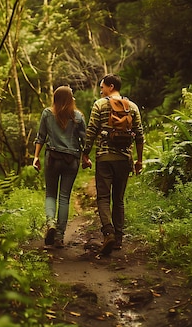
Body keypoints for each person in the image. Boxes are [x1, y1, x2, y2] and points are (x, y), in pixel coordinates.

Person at [81, 74, 144, 255]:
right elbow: (139, 135)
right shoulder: (132, 107)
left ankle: (108, 232)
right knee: (119, 200)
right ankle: (118, 240)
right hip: (125, 159)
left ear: (110, 86)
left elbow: (91, 130)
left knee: (103, 198)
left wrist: (85, 154)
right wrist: (139, 160)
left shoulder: (99, 105)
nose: (101, 91)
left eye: (102, 87)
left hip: (104, 158)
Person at [33, 86, 87, 248]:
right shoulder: (78, 116)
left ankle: (51, 223)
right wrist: (86, 157)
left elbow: (40, 137)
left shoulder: (47, 113)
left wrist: (36, 157)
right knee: (64, 197)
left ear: (55, 98)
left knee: (50, 194)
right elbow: (85, 140)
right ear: (71, 99)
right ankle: (59, 237)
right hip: (71, 160)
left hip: (52, 158)